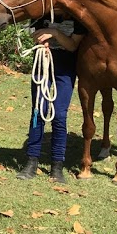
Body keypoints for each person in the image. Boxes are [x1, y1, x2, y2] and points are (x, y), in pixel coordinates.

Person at [17, 15, 86, 183]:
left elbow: (72, 46)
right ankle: (32, 161)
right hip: (43, 63)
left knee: (59, 115)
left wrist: (54, 32)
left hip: (65, 68)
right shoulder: (42, 12)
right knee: (38, 111)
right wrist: (43, 42)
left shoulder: (78, 18)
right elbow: (36, 35)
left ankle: (57, 165)